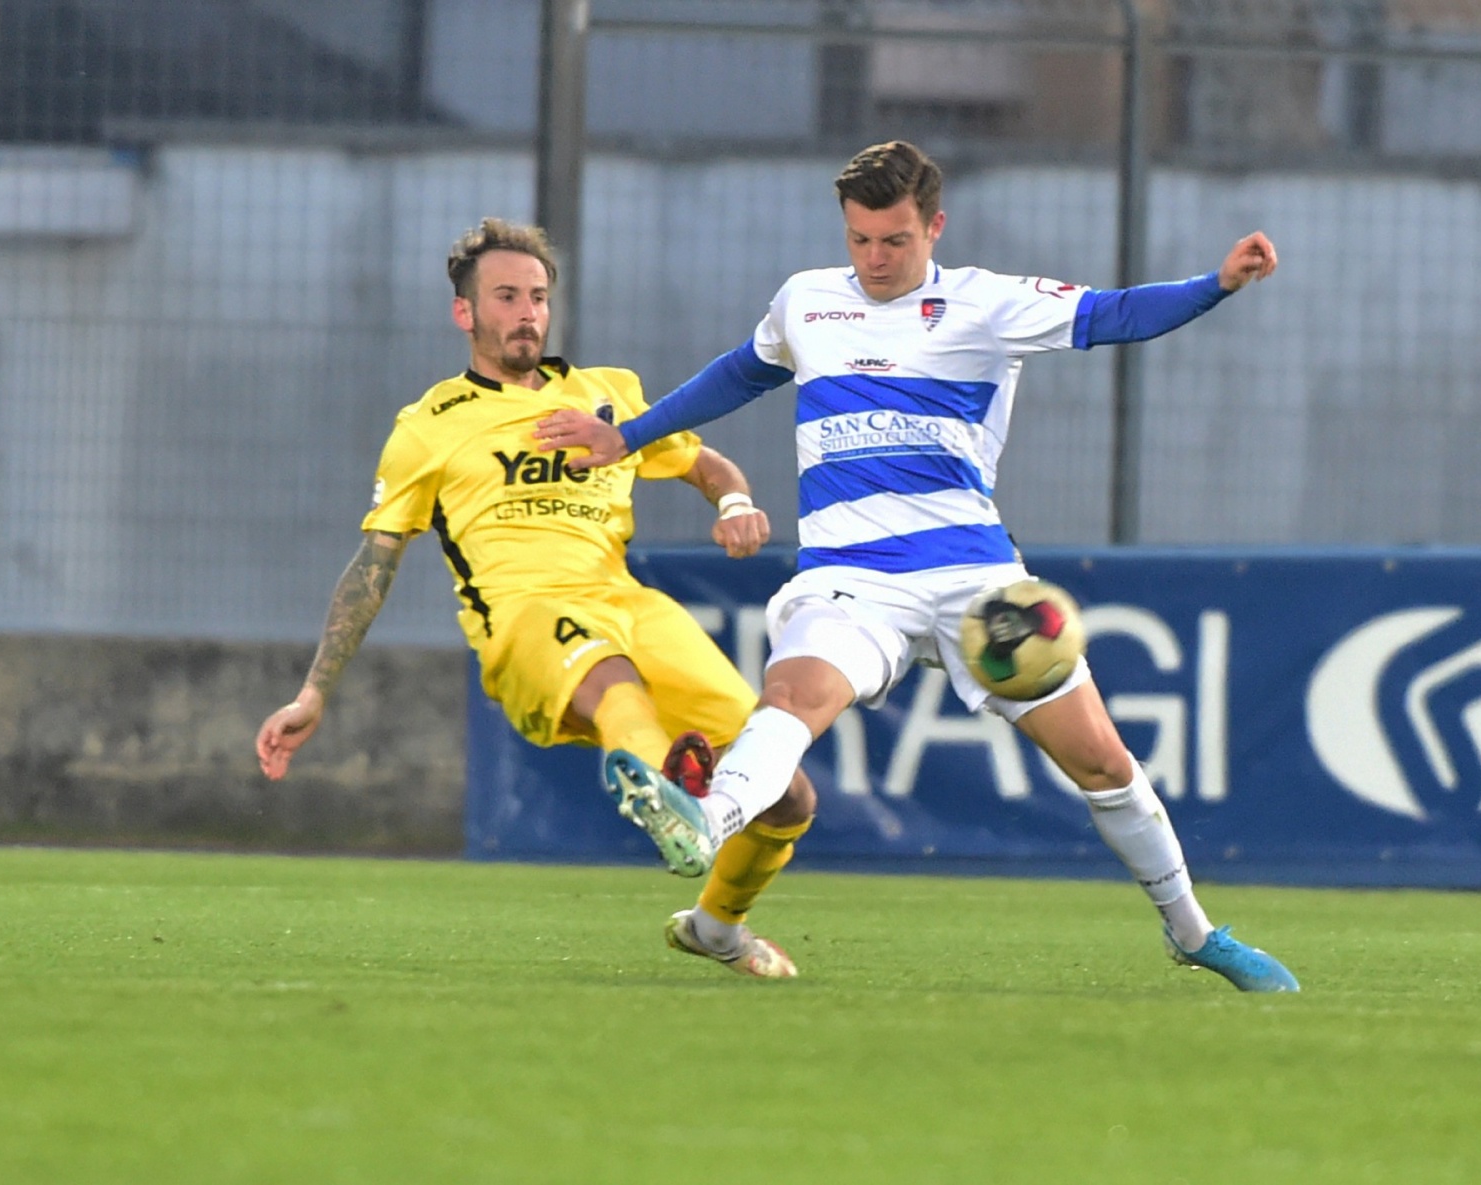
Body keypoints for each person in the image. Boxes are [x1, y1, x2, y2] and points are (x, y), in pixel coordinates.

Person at [535, 141, 1300, 992]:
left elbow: (1117, 314)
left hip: (977, 583)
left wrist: (1217, 284)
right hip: (851, 578)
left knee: (1103, 764)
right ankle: (706, 821)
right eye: (860, 239)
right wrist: (626, 437)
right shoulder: (807, 302)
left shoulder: (987, 304)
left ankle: (1193, 933)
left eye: (894, 240)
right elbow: (739, 374)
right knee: (794, 698)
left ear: (934, 226)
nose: (875, 259)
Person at [255, 218, 815, 979]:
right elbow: (374, 564)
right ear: (466, 313)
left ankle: (716, 925)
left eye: (538, 297)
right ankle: (675, 798)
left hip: (628, 602)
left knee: (786, 793)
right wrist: (314, 689)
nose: (526, 312)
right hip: (523, 619)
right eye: (506, 296)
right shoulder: (430, 427)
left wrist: (733, 504)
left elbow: (707, 462)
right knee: (614, 684)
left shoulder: (605, 396)